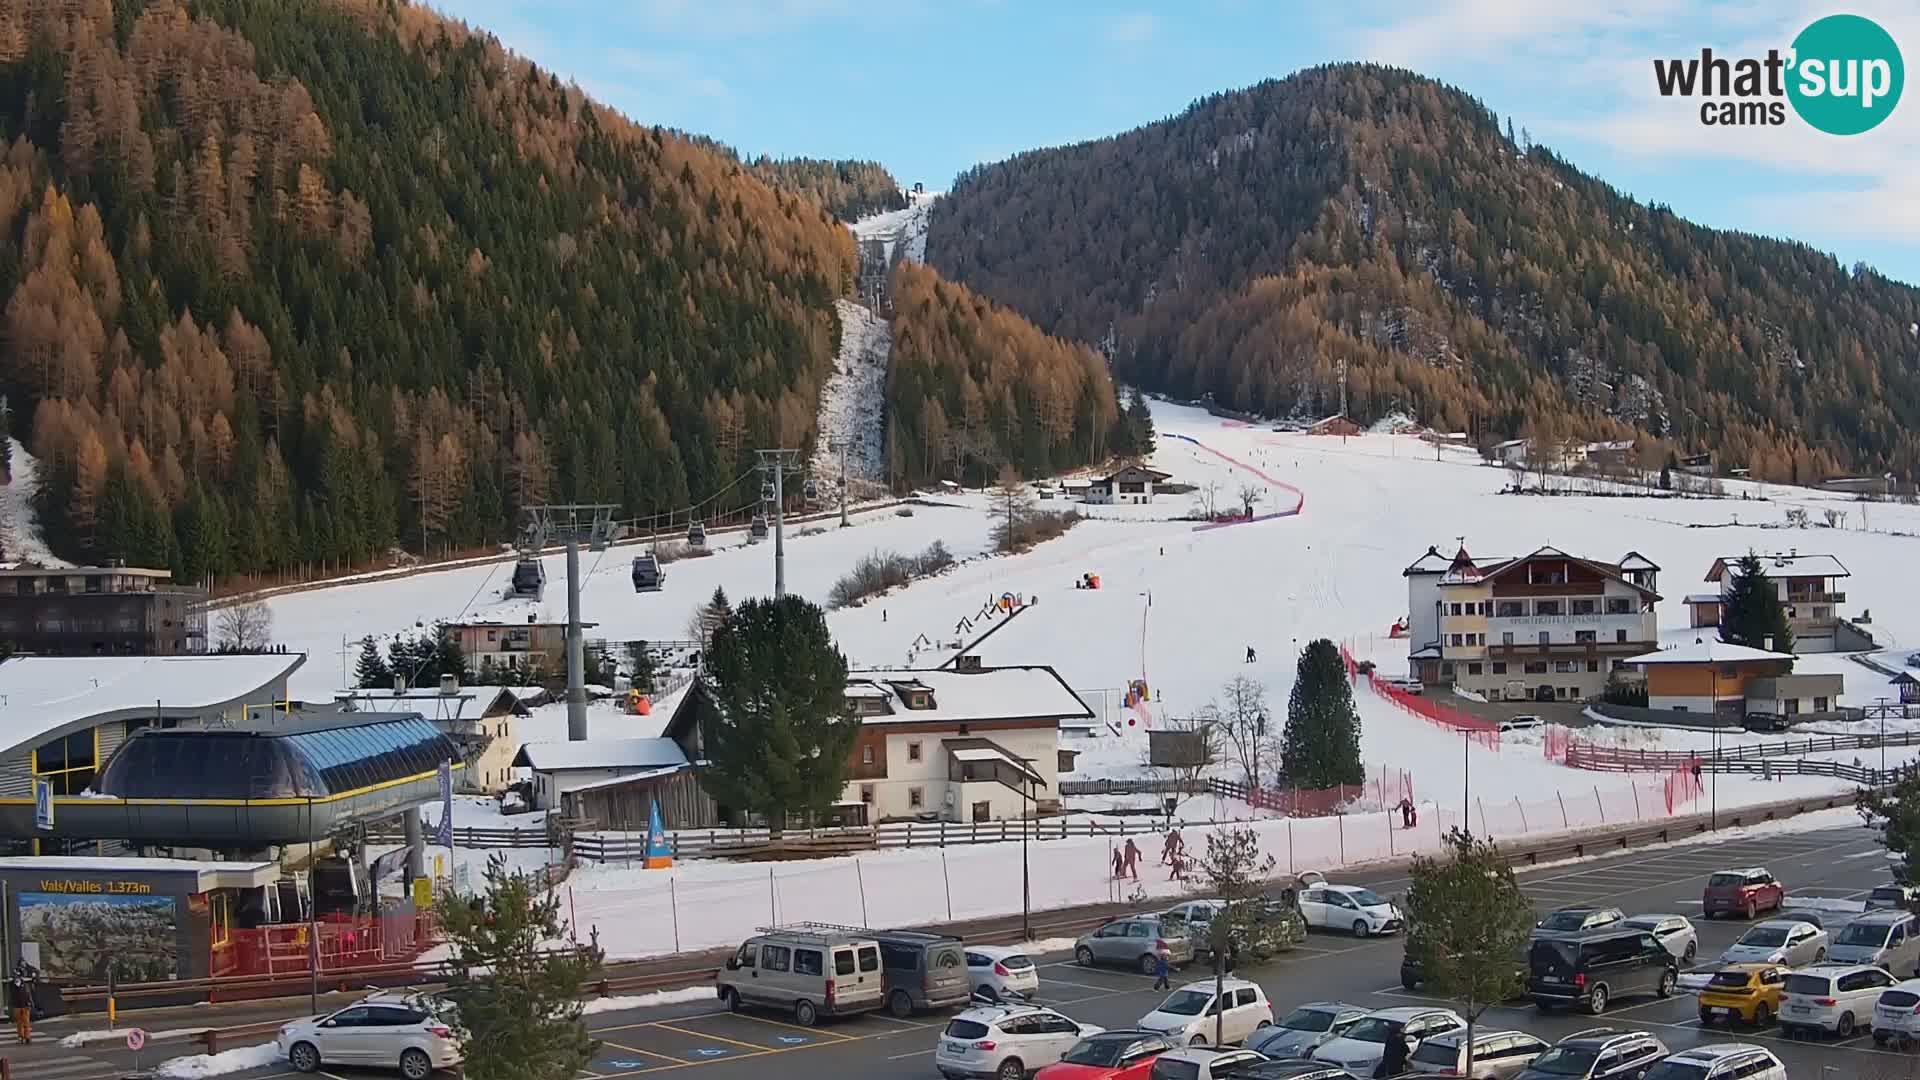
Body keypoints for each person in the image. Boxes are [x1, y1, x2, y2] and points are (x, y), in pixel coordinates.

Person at [7, 965, 32, 1044]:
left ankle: (27, 1037)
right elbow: (12, 996)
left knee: (26, 1022)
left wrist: (29, 1002)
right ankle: (21, 1036)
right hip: (17, 1005)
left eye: (18, 975)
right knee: (19, 1022)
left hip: (24, 1005)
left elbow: (27, 994)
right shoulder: (12, 985)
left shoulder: (23, 984)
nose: (16, 977)